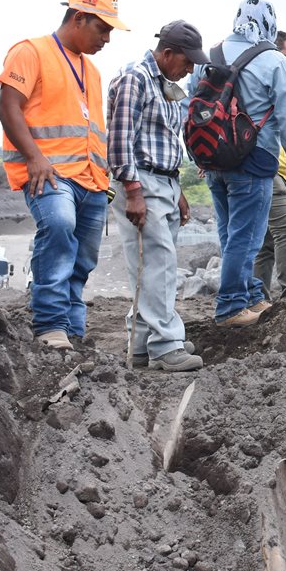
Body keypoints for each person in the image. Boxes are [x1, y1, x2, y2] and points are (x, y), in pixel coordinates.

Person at [0, 0, 128, 350]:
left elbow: (91, 129)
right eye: (102, 30)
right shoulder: (31, 52)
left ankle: (72, 328)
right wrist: (35, 157)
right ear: (78, 18)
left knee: (84, 257)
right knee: (58, 226)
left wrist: (104, 180)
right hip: (50, 172)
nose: (106, 39)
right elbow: (9, 107)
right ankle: (50, 323)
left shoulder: (93, 72)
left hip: (91, 179)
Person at [199, 0, 286, 328]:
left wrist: (199, 155)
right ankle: (231, 306)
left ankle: (250, 296)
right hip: (253, 159)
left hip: (214, 161)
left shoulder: (209, 56)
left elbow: (194, 109)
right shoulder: (273, 60)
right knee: (247, 238)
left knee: (231, 234)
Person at [107, 20, 209, 371]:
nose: (190, 69)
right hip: (142, 182)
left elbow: (166, 142)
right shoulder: (134, 78)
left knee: (148, 267)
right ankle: (166, 345)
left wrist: (177, 189)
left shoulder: (165, 86)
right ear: (167, 53)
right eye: (187, 61)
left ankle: (141, 342)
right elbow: (120, 141)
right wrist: (134, 192)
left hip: (163, 182)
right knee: (160, 263)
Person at [252, 31, 286, 299]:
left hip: (276, 171)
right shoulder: (268, 83)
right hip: (266, 170)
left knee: (266, 242)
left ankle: (259, 296)